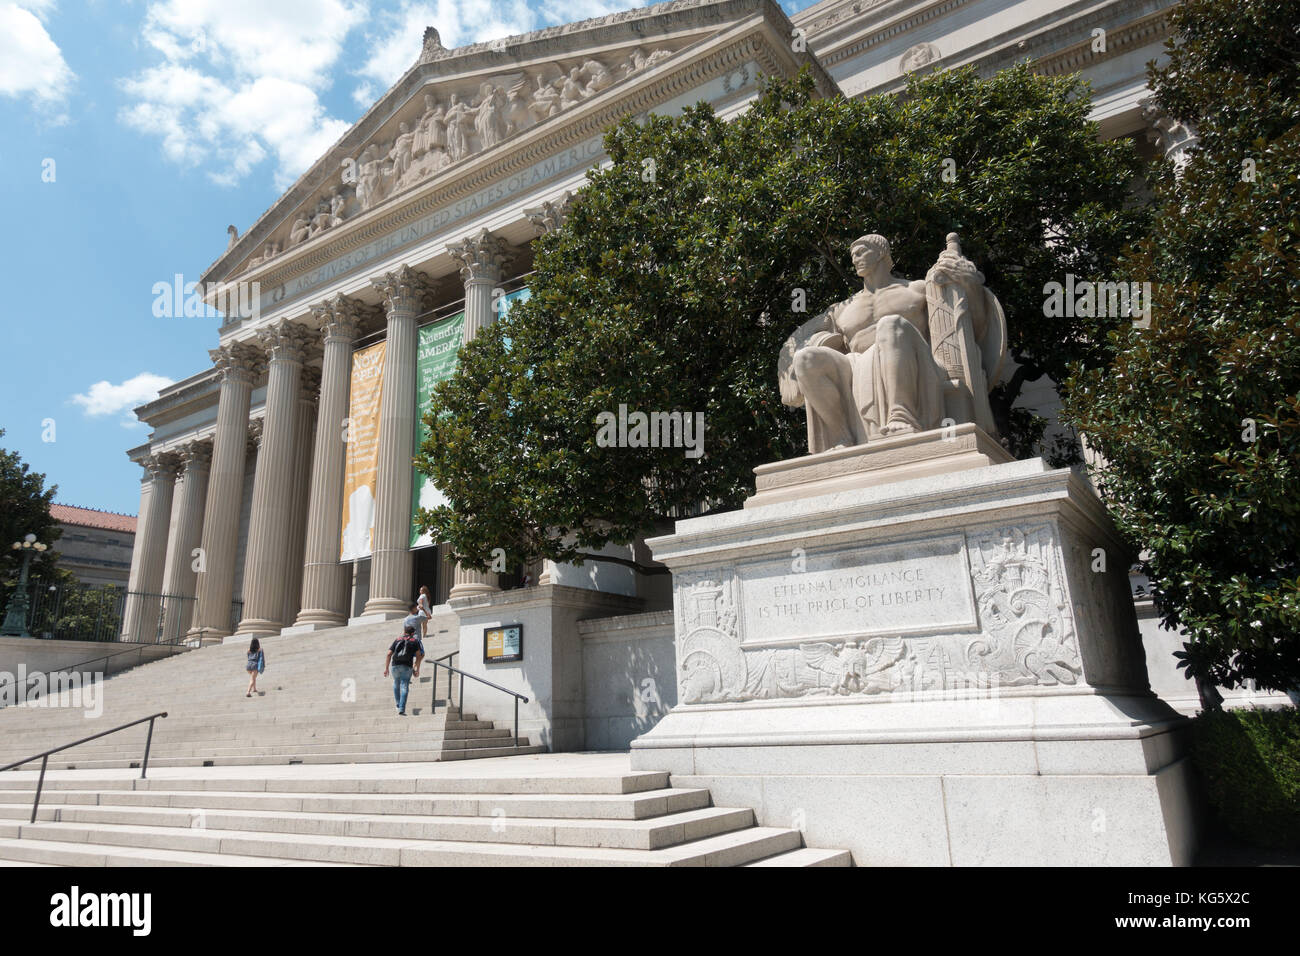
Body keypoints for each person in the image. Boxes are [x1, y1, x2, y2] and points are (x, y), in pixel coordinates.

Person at [384, 625, 424, 716]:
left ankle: (398, 704)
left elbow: (389, 654)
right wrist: (416, 668)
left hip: (395, 665)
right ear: (413, 633)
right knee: (404, 686)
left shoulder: (397, 639)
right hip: (407, 666)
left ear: (404, 631)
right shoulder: (415, 641)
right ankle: (401, 708)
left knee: (396, 683)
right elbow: (419, 655)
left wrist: (386, 668)